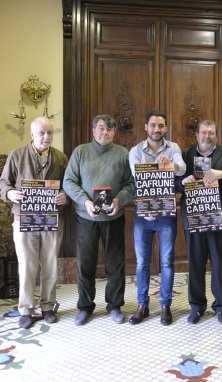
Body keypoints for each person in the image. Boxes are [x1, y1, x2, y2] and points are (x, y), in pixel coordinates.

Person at [63, 114, 134, 326]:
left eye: (110, 129)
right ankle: (85, 307)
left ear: (114, 133)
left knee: (115, 264)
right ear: (93, 131)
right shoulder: (80, 152)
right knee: (86, 264)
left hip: (114, 217)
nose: (105, 132)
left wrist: (119, 200)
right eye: (101, 128)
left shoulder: (123, 154)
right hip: (86, 218)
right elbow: (68, 182)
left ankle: (114, 305)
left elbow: (131, 184)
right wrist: (84, 202)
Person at [0, 117, 68, 329]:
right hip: (24, 220)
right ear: (32, 135)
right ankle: (26, 309)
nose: (46, 137)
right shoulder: (16, 156)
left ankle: (47, 306)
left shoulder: (60, 158)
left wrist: (65, 195)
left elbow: (70, 184)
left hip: (51, 219)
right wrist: (10, 193)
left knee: (50, 265)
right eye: (41, 133)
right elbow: (3, 183)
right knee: (27, 266)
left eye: (49, 133)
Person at [175, 119, 222, 324]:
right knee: (195, 263)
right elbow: (175, 181)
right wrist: (182, 182)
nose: (207, 136)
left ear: (216, 136)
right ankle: (197, 307)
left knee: (220, 263)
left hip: (219, 217)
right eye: (203, 133)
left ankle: (221, 306)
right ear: (197, 135)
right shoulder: (186, 155)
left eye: (211, 133)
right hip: (194, 217)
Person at [128, 110, 186, 326]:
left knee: (167, 262)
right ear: (146, 127)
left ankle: (165, 305)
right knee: (142, 262)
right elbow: (140, 178)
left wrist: (171, 165)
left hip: (166, 214)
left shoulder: (173, 148)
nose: (157, 129)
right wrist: (160, 168)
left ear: (165, 128)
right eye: (153, 125)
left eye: (161, 126)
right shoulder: (135, 151)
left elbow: (182, 169)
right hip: (143, 214)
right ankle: (142, 304)